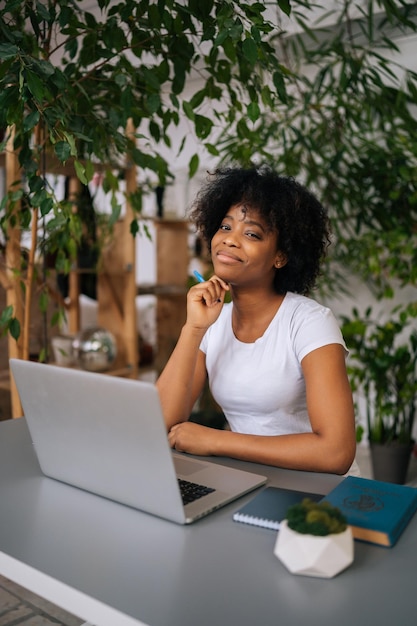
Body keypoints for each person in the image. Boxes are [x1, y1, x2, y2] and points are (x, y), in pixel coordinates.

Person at [156, 166, 358, 475]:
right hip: (249, 481)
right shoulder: (213, 323)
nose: (230, 240)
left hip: (318, 491)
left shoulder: (310, 323)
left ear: (281, 256)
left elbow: (336, 452)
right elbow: (160, 423)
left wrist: (217, 441)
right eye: (225, 227)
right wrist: (194, 328)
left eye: (251, 233)